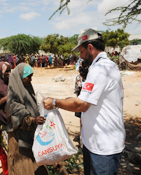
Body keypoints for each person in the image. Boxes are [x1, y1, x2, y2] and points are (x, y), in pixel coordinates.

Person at [43, 28, 125, 175]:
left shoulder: (101, 69)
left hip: (103, 148)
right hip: (95, 144)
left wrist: (55, 102)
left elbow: (81, 105)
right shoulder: (106, 66)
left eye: (81, 52)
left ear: (90, 48)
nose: (80, 57)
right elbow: (84, 99)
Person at [6, 63, 48, 175]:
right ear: (20, 77)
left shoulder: (27, 89)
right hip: (18, 139)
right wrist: (32, 120)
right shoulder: (13, 97)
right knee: (23, 167)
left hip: (30, 136)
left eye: (31, 76)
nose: (30, 79)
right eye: (28, 77)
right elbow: (17, 115)